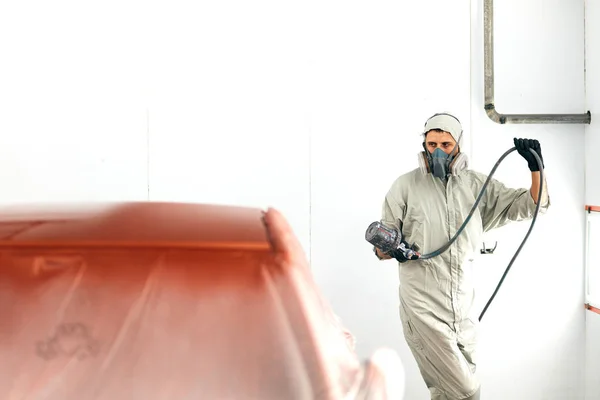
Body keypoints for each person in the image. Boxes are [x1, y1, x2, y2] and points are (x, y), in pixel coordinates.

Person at [372, 112, 550, 400]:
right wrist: (391, 249)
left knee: (447, 393)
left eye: (445, 143)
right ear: (424, 146)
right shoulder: (404, 187)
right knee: (465, 391)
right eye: (432, 145)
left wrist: (536, 167)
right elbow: (382, 245)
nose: (438, 151)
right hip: (423, 307)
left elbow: (533, 205)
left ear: (458, 145)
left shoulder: (478, 186)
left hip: (464, 311)